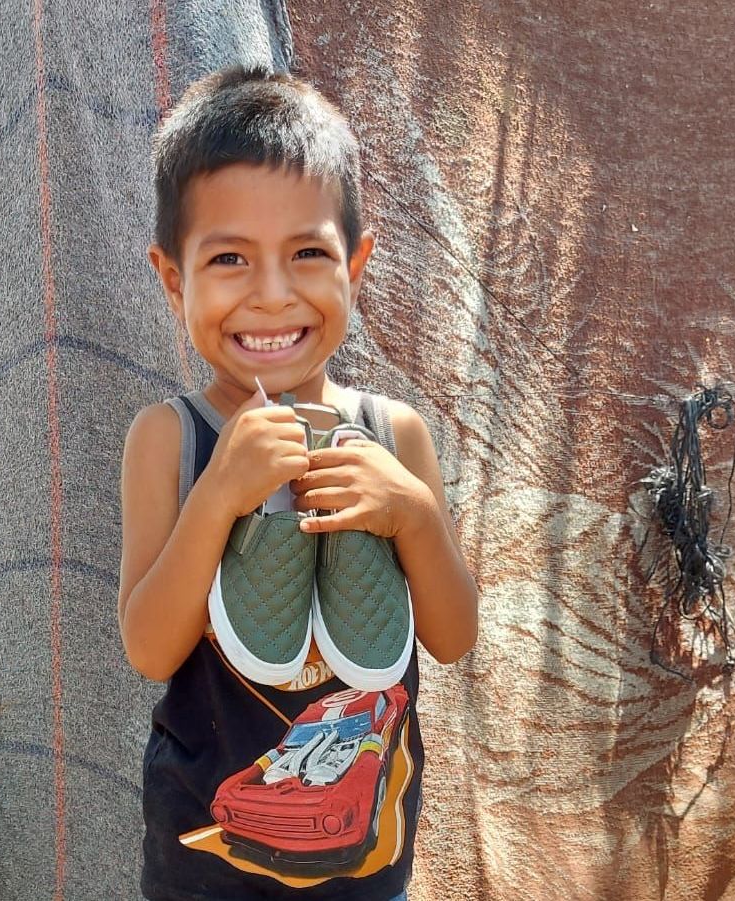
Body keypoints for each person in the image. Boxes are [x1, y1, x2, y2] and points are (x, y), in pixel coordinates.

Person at [118, 63, 478, 901]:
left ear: (355, 264)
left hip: (363, 864)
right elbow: (149, 647)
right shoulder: (168, 438)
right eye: (230, 258)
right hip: (200, 864)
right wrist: (218, 493)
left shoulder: (395, 434)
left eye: (308, 253)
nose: (272, 296)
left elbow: (454, 636)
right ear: (174, 277)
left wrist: (412, 513)